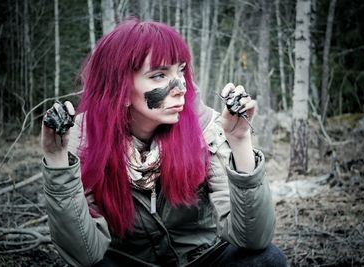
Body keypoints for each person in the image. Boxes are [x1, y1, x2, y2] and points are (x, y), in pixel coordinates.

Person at [41, 19, 287, 267]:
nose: (180, 87)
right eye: (159, 75)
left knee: (266, 260)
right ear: (121, 90)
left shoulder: (205, 127)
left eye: (181, 70)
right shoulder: (81, 138)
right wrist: (58, 163)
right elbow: (84, 254)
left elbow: (254, 238)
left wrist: (240, 140)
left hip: (199, 259)